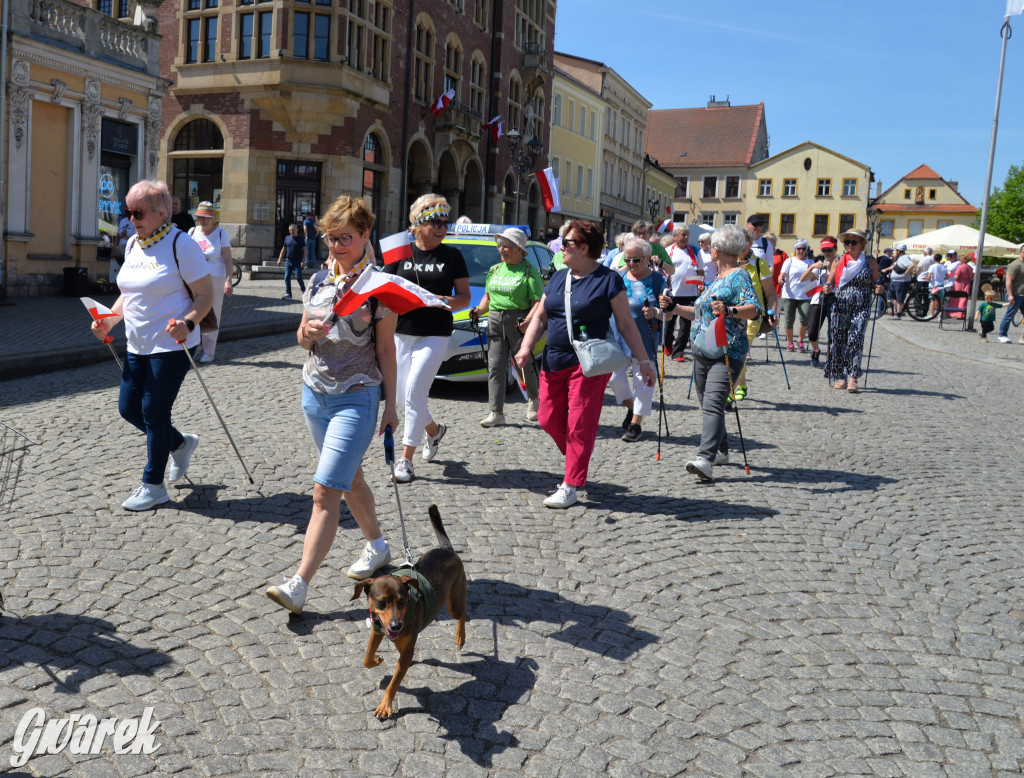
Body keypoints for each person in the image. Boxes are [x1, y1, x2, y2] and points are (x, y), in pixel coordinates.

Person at [265, 195, 399, 614]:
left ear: (364, 235)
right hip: (314, 394)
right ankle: (377, 546)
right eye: (331, 238)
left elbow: (386, 351)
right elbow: (301, 337)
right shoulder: (318, 280)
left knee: (325, 491)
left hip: (357, 396)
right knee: (349, 478)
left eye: (346, 237)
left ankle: (299, 584)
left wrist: (392, 407)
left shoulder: (378, 288)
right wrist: (307, 333)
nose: (337, 246)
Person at [88, 179, 212, 510]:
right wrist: (107, 321)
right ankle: (180, 443)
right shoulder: (132, 244)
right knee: (129, 409)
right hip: (137, 342)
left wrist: (188, 323)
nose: (131, 219)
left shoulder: (181, 244)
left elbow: (205, 295)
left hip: (172, 344)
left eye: (138, 212)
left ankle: (153, 485)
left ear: (161, 212)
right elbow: (128, 295)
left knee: (154, 412)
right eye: (128, 211)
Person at [515, 219, 656, 509]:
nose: (560, 247)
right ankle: (575, 461)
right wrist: (526, 347)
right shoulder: (558, 277)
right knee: (547, 418)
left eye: (566, 243)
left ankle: (570, 485)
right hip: (553, 359)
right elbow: (540, 316)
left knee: (580, 424)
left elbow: (625, 323)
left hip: (589, 363)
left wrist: (643, 360)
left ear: (584, 248)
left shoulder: (608, 280)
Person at [659, 224, 762, 481]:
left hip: (727, 351)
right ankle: (722, 451)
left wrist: (730, 311)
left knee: (714, 404)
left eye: (712, 247)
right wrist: (674, 307)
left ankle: (705, 458)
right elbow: (700, 313)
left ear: (716, 251)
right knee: (708, 404)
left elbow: (755, 309)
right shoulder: (715, 278)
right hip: (703, 350)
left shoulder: (739, 276)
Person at [383, 194, 470, 483]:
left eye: (446, 222)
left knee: (414, 392)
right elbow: (383, 288)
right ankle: (433, 430)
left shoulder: (452, 256)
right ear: (419, 224)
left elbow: (464, 297)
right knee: (403, 396)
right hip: (401, 331)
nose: (442, 228)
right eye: (436, 222)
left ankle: (405, 460)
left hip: (435, 333)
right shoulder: (400, 252)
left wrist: (444, 300)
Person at [469, 227, 543, 426]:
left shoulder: (529, 271)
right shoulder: (495, 269)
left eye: (507, 246)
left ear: (519, 249)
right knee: (495, 367)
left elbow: (538, 301)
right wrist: (478, 311)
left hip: (519, 322)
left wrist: (529, 320)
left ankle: (534, 399)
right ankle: (496, 412)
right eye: (500, 246)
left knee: (524, 364)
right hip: (495, 321)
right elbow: (488, 297)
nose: (501, 250)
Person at [608, 235, 666, 443]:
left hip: (645, 337)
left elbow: (668, 312)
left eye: (636, 260)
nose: (631, 263)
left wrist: (655, 312)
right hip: (618, 337)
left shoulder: (658, 280)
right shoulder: (618, 277)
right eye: (627, 259)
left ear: (648, 258)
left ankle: (636, 424)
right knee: (613, 378)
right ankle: (633, 408)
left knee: (643, 380)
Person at [823, 229, 879, 393]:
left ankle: (853, 376)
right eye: (847, 242)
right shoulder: (839, 261)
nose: (850, 245)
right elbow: (831, 282)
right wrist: (827, 287)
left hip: (862, 305)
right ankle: (840, 375)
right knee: (838, 339)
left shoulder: (870, 262)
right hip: (840, 305)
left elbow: (876, 283)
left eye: (854, 242)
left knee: (856, 338)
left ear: (862, 244)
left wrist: (879, 288)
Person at [733, 214, 779, 400]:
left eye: (744, 243)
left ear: (751, 244)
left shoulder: (759, 264)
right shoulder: (729, 263)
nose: (740, 247)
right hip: (730, 314)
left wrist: (773, 313)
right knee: (732, 350)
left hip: (753, 315)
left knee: (738, 349)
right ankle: (741, 384)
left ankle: (731, 389)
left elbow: (770, 293)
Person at [187, 202, 233, 364]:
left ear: (213, 218)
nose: (204, 221)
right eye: (201, 218)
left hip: (215, 277)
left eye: (207, 218)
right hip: (195, 278)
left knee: (212, 314)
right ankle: (195, 345)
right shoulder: (192, 232)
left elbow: (228, 259)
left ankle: (209, 350)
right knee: (193, 311)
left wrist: (228, 280)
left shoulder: (220, 233)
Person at [664, 225, 701, 362]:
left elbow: (700, 270)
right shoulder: (668, 251)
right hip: (672, 292)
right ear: (675, 236)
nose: (685, 237)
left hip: (690, 292)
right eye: (682, 234)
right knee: (670, 322)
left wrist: (700, 284)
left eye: (687, 234)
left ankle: (679, 352)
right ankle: (668, 343)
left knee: (685, 326)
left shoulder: (695, 251)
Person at [800, 237, 839, 365]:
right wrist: (813, 266)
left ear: (835, 249)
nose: (826, 253)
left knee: (833, 332)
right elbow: (803, 279)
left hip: (835, 298)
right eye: (824, 250)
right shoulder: (821, 264)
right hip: (819, 298)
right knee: (812, 331)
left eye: (829, 250)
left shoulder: (840, 262)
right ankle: (816, 350)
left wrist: (832, 268)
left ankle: (830, 356)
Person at [778, 239, 814, 352]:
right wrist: (781, 280)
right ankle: (790, 343)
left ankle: (800, 340)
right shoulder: (789, 261)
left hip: (805, 295)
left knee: (805, 318)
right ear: (795, 249)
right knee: (789, 319)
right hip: (790, 294)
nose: (801, 251)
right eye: (799, 248)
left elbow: (814, 279)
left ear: (807, 250)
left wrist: (816, 292)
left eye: (803, 249)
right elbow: (782, 274)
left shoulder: (811, 262)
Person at [997, 245, 1024, 343]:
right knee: (1009, 315)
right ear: (1021, 252)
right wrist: (1010, 295)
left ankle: (1022, 338)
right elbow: (1008, 281)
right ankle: (1002, 335)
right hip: (1015, 294)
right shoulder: (1015, 264)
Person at [277, 223, 307, 300]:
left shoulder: (300, 239)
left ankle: (304, 290)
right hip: (288, 261)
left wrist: (303, 261)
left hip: (298, 261)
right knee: (287, 277)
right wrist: (280, 259)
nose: (291, 232)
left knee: (298, 277)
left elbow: (304, 250)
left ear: (296, 230)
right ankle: (288, 294)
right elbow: (283, 249)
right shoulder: (287, 238)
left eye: (293, 230)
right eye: (290, 230)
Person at [886, 243, 916, 319]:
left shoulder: (904, 258)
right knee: (890, 296)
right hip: (896, 280)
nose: (895, 252)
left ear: (899, 251)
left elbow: (912, 265)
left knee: (900, 297)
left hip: (901, 281)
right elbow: (894, 266)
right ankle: (901, 309)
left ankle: (898, 314)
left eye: (896, 250)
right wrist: (886, 270)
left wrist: (906, 273)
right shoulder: (900, 257)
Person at [950, 251, 974, 318]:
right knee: (963, 298)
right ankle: (961, 314)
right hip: (967, 283)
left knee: (956, 298)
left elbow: (956, 277)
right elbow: (972, 277)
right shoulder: (970, 267)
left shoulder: (960, 267)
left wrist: (952, 276)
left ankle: (954, 313)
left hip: (959, 283)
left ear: (962, 260)